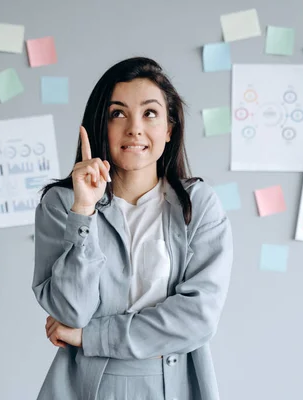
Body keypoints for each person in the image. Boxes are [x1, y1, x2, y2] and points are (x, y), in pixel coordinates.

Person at [32, 57, 233, 400]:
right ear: (101, 125)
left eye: (150, 113)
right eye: (118, 113)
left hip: (174, 386)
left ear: (169, 129)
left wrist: (90, 337)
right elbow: (70, 311)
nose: (134, 128)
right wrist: (84, 211)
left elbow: (197, 319)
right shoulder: (61, 204)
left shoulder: (198, 205)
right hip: (87, 387)